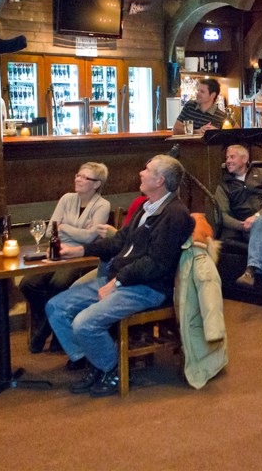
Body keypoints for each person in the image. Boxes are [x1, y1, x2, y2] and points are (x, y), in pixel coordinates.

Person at [46, 155, 193, 397]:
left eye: (146, 170)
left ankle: (113, 369)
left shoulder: (175, 214)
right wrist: (81, 250)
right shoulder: (146, 207)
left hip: (148, 289)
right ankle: (95, 361)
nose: (141, 173)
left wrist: (118, 281)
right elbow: (119, 242)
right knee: (56, 307)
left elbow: (156, 264)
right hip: (123, 280)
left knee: (84, 322)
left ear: (160, 180)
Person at [20, 162, 111, 354]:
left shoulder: (102, 205)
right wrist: (67, 231)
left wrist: (63, 228)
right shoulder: (67, 199)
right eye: (78, 175)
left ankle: (43, 331)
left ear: (96, 184)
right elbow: (49, 232)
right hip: (58, 252)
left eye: (85, 177)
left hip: (83, 257)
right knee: (28, 284)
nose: (78, 179)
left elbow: (89, 238)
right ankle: (50, 324)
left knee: (58, 284)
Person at [216, 145, 262, 316]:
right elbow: (223, 216)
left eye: (232, 157)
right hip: (248, 229)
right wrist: (243, 225)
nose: (228, 161)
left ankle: (251, 269)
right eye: (227, 158)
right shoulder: (224, 186)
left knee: (261, 222)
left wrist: (257, 217)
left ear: (244, 159)